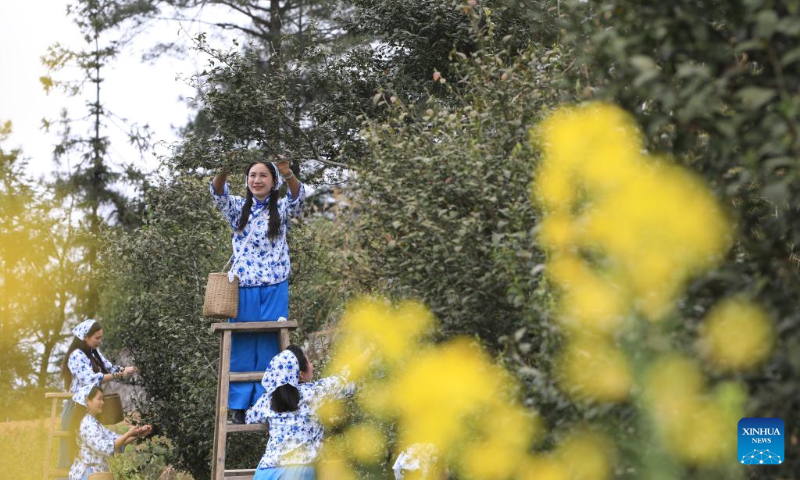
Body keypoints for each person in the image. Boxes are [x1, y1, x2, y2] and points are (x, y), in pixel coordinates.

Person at [211, 155, 305, 423]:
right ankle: (239, 407)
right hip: (243, 288)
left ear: (273, 181)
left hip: (275, 286)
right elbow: (218, 194)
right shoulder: (238, 207)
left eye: (263, 175)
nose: (257, 180)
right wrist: (224, 168)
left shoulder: (282, 208)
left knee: (268, 345)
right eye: (252, 175)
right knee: (241, 345)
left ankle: (268, 401)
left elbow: (298, 200)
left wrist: (288, 173)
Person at [245, 345, 355, 479]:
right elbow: (346, 380)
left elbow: (249, 417)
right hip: (300, 471)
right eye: (309, 361)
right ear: (301, 374)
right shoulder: (315, 392)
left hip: (268, 471)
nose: (311, 364)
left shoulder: (268, 400)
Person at [57, 319, 137, 478]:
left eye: (101, 338)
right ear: (85, 337)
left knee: (91, 442)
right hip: (76, 405)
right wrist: (117, 375)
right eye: (97, 338)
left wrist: (128, 370)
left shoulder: (92, 353)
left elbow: (109, 367)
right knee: (68, 452)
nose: (99, 341)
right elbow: (90, 379)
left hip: (86, 405)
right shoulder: (76, 356)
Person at [68, 384, 152, 480]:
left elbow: (114, 439)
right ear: (87, 400)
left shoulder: (92, 421)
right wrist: (129, 433)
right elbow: (106, 447)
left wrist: (138, 433)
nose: (103, 402)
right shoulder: (87, 424)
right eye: (99, 399)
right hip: (89, 474)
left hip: (95, 473)